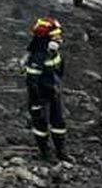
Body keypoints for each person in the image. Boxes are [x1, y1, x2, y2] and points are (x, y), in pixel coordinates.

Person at [22, 17, 69, 163]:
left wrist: (56, 86)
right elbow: (32, 81)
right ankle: (45, 152)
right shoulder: (38, 56)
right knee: (40, 126)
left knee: (59, 123)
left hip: (53, 93)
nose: (58, 39)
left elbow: (60, 69)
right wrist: (36, 102)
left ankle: (61, 151)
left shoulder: (53, 53)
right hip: (40, 96)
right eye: (55, 36)